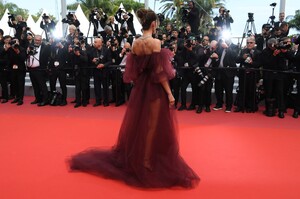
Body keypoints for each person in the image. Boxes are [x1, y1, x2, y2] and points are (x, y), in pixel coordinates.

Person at [69, 8, 200, 188]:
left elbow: (135, 70)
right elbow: (160, 72)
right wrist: (169, 93)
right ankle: (145, 161)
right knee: (153, 125)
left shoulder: (136, 43)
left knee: (140, 123)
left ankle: (141, 157)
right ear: (153, 24)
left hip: (141, 89)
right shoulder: (155, 43)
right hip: (154, 89)